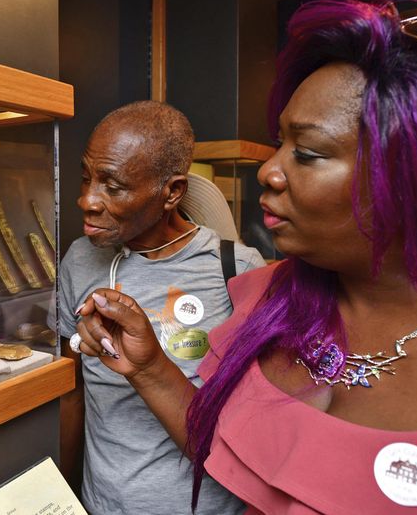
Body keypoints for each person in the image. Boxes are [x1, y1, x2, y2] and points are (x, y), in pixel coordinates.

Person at [73, 0, 417, 514]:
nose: (269, 170)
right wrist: (150, 367)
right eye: (279, 144)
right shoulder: (267, 300)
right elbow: (228, 458)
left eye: (307, 154)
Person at [55, 100, 264, 514]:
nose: (87, 201)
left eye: (112, 187)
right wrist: (64, 492)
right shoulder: (80, 260)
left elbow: (254, 430)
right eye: (86, 179)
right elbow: (71, 392)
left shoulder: (236, 271)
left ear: (171, 192)